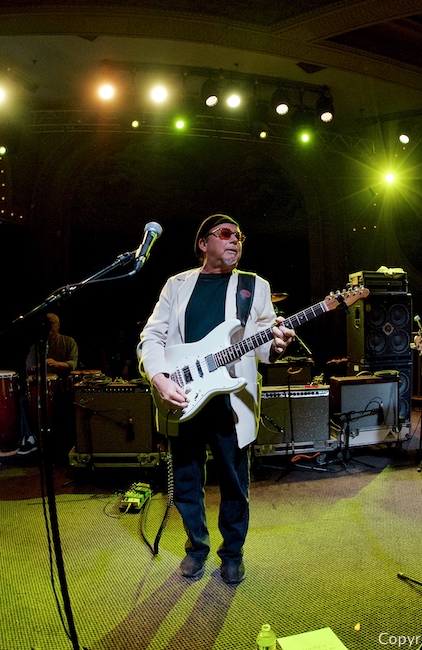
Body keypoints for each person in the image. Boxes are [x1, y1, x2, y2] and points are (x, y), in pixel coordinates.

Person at [138, 214, 295, 584]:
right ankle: (197, 547)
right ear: (203, 244)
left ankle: (232, 552)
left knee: (234, 484)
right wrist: (159, 378)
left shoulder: (254, 286)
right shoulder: (176, 285)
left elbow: (263, 346)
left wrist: (278, 345)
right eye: (225, 234)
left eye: (239, 236)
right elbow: (152, 336)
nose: (235, 240)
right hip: (183, 395)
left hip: (231, 399)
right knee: (187, 482)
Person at [19, 312, 79, 455]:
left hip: (61, 386)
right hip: (39, 388)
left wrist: (57, 364)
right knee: (22, 400)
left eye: (52, 323)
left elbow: (73, 364)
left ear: (58, 325)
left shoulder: (68, 342)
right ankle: (30, 437)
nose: (50, 327)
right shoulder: (37, 346)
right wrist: (35, 368)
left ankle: (64, 440)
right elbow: (28, 368)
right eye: (47, 323)